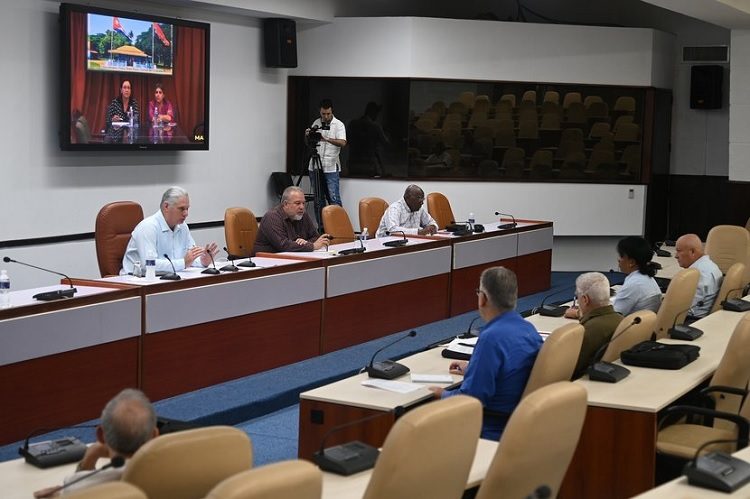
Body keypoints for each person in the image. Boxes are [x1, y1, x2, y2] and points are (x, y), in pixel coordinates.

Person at [428, 267, 543, 440]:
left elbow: (472, 399)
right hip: (517, 422)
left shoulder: (491, 338)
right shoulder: (528, 328)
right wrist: (473, 369)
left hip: (489, 428)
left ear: (483, 298)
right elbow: (512, 370)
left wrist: (441, 393)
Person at [33, 389, 158, 497]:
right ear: (154, 434)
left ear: (100, 435)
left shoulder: (77, 488)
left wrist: (90, 457)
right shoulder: (167, 469)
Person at [120, 186, 218, 275]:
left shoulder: (183, 227)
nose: (186, 213)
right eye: (181, 209)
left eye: (187, 209)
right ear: (166, 206)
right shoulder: (148, 227)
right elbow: (149, 264)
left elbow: (189, 259)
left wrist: (203, 260)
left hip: (168, 278)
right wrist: (183, 263)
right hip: (134, 281)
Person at [564, 272, 624, 378]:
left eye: (577, 296)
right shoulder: (621, 319)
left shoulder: (587, 330)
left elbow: (571, 368)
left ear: (585, 299)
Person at [253, 186, 331, 254]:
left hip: (292, 258)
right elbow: (283, 245)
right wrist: (312, 246)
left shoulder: (303, 214)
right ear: (285, 204)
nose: (302, 207)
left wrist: (305, 243)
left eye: (303, 203)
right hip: (267, 260)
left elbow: (315, 237)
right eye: (297, 203)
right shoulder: (272, 217)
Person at [306, 99, 347, 206]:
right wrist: (308, 135)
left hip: (331, 167)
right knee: (318, 199)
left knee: (334, 198)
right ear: (320, 112)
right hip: (315, 166)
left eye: (328, 114)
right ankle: (321, 218)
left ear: (332, 111)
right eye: (323, 114)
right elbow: (308, 143)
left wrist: (326, 139)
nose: (326, 116)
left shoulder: (338, 125)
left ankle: (336, 218)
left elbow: (343, 142)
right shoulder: (316, 123)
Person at [674, 233, 723, 318]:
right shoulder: (709, 265)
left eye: (679, 251)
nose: (676, 256)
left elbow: (688, 310)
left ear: (692, 252)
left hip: (689, 320)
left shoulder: (698, 274)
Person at [613, 236, 662, 316]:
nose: (618, 259)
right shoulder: (646, 278)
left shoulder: (634, 284)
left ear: (632, 262)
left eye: (621, 256)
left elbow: (614, 315)